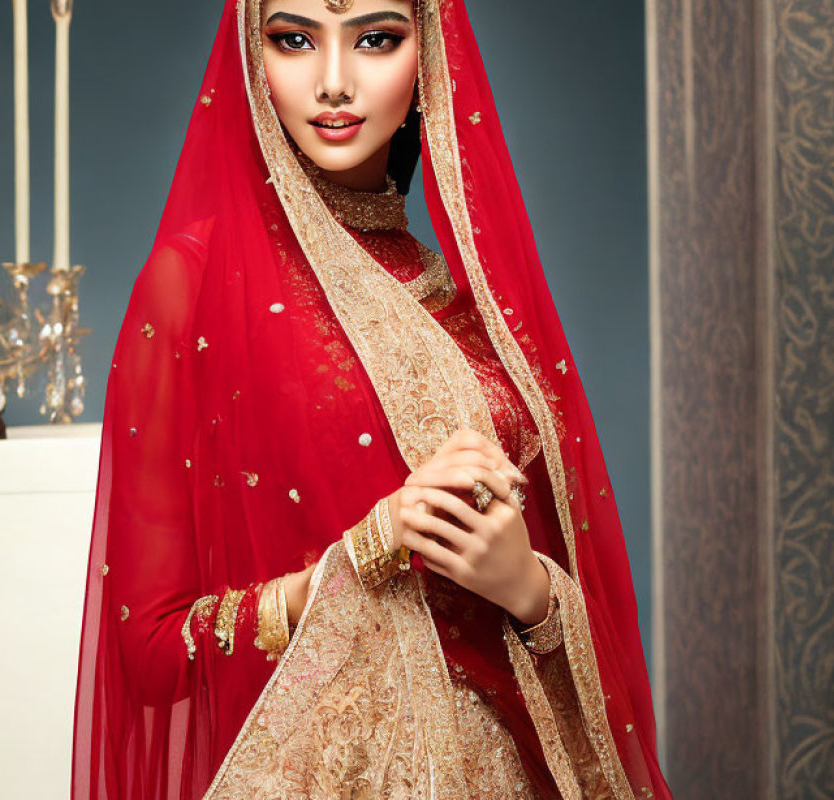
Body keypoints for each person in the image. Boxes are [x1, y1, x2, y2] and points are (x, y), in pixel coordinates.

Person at [71, 1, 673, 798]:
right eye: (293, 40)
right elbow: (147, 654)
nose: (333, 82)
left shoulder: (472, 313)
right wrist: (364, 553)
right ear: (252, 60)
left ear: (430, 62)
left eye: (376, 39)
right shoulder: (193, 287)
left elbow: (569, 602)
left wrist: (528, 590)